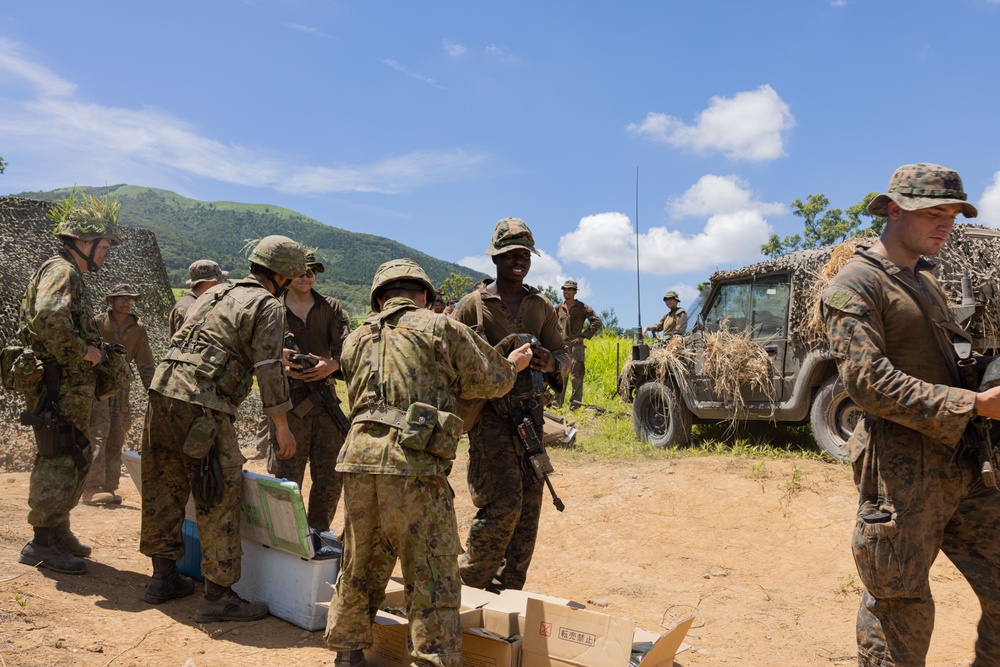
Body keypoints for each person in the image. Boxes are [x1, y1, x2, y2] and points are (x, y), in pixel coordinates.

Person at [820, 163, 1000, 666]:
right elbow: (868, 382)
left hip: (966, 464)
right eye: (934, 213)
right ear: (894, 209)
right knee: (900, 606)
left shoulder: (925, 281)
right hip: (901, 472)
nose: (946, 224)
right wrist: (973, 404)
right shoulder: (856, 285)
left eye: (953, 214)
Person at [324, 258, 531, 667]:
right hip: (412, 463)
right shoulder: (439, 325)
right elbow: (491, 380)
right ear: (423, 296)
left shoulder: (355, 339)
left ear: (380, 298)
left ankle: (348, 654)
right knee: (431, 571)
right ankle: (430, 659)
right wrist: (515, 364)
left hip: (358, 462)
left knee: (360, 560)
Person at [139, 235, 306, 622]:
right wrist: (281, 426)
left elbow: (208, 340)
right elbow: (268, 370)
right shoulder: (267, 304)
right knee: (217, 489)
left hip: (163, 391)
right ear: (282, 275)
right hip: (203, 404)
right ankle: (218, 598)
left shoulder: (215, 293)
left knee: (163, 484)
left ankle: (162, 579)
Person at [450, 217, 569, 592]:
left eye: (524, 254)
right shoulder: (472, 307)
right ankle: (468, 586)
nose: (518, 260)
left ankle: (507, 592)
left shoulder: (540, 306)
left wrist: (552, 363)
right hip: (491, 421)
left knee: (529, 511)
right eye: (510, 254)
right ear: (496, 258)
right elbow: (450, 363)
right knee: (502, 506)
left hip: (531, 420)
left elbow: (564, 355)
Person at [16, 192, 122, 575]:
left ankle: (58, 531)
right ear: (82, 242)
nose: (107, 252)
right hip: (59, 383)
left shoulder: (69, 271)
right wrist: (84, 351)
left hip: (66, 385)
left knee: (71, 452)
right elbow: (47, 317)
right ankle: (41, 543)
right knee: (59, 455)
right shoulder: (62, 271)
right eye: (105, 245)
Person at [266, 252, 350, 532]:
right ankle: (286, 537)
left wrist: (332, 365)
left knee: (330, 477)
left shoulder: (331, 307)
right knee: (286, 477)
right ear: (288, 275)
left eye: (312, 272)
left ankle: (319, 535)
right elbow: (255, 349)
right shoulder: (271, 307)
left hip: (325, 401)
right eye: (300, 271)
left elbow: (347, 349)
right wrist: (280, 359)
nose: (306, 277)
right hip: (287, 402)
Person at [82, 284, 156, 506]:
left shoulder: (138, 328)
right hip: (99, 387)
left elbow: (145, 362)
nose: (126, 302)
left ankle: (109, 487)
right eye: (121, 298)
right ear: (110, 301)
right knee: (98, 434)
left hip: (122, 388)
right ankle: (92, 488)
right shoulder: (97, 322)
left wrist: (153, 391)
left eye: (129, 299)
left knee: (117, 435)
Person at [553, 280, 602, 409]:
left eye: (569, 290)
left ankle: (575, 405)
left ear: (575, 292)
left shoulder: (582, 307)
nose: (566, 292)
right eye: (564, 289)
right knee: (560, 375)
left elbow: (597, 321)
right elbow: (549, 322)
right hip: (562, 346)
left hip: (576, 346)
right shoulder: (558, 307)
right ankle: (556, 404)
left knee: (576, 376)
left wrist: (583, 336)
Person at [168, 259, 228, 338]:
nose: (220, 285)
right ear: (212, 282)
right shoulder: (186, 308)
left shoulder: (198, 302)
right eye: (219, 281)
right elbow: (183, 346)